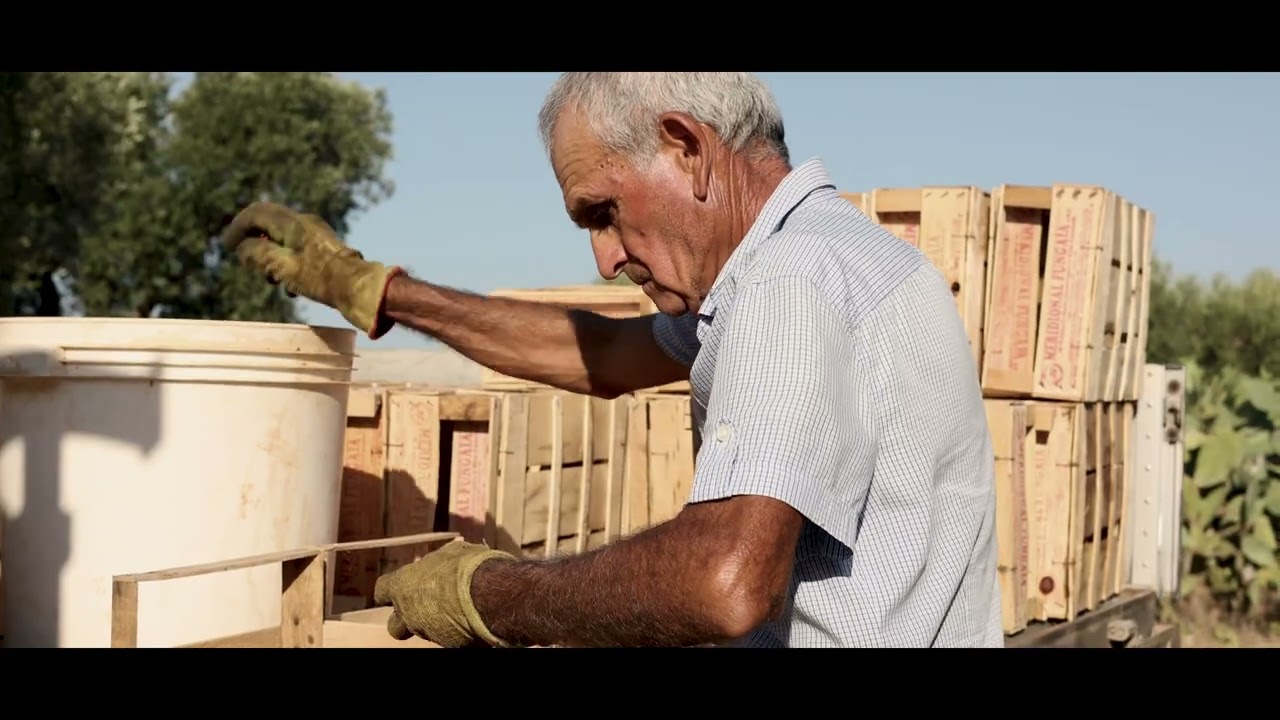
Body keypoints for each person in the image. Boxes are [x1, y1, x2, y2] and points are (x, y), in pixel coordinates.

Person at [220, 72, 1004, 648]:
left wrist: (487, 593)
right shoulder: (847, 257)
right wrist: (378, 291)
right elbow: (605, 352)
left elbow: (723, 581)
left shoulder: (789, 285)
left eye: (604, 211)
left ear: (687, 147)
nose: (604, 257)